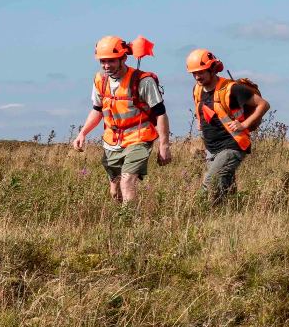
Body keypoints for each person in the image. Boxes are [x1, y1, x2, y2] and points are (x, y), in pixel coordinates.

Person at [71, 36, 170, 206]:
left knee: (127, 181)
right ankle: (121, 219)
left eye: (111, 61)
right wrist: (82, 133)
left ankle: (130, 220)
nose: (106, 66)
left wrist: (164, 145)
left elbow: (160, 113)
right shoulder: (100, 80)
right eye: (103, 61)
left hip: (139, 138)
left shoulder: (143, 81)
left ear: (123, 58)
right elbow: (97, 110)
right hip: (112, 141)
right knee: (115, 191)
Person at [187, 49, 269, 203]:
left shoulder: (232, 89)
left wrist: (244, 124)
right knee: (224, 189)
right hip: (212, 149)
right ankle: (231, 210)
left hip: (233, 145)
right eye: (194, 73)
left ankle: (194, 209)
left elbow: (263, 105)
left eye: (201, 72)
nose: (197, 76)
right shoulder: (197, 89)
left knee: (210, 183)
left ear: (212, 69)